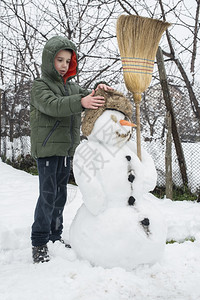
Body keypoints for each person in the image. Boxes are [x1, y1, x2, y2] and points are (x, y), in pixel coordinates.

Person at [30, 35, 112, 263]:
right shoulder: (40, 86)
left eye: (68, 61)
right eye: (59, 60)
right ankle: (39, 242)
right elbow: (53, 105)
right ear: (49, 60)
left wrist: (99, 90)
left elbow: (89, 96)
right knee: (47, 196)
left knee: (60, 196)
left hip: (66, 150)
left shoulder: (72, 87)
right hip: (47, 150)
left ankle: (55, 236)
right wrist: (81, 102)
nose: (64, 65)